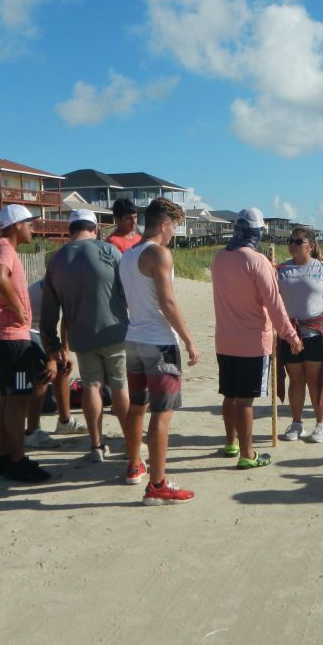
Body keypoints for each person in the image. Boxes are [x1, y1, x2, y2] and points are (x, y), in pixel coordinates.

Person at [118, 198, 199, 504]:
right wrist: (189, 340)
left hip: (133, 339)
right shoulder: (159, 253)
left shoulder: (128, 255)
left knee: (138, 405)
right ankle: (157, 484)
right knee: (162, 414)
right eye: (174, 227)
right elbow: (167, 302)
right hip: (158, 342)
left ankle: (133, 464)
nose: (174, 234)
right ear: (164, 225)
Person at [40, 210, 133, 471]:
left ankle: (95, 445)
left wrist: (52, 343)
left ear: (70, 231)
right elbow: (126, 292)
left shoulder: (57, 260)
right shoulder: (109, 251)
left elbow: (50, 308)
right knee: (119, 386)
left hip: (81, 335)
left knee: (92, 384)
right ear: (94, 228)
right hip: (114, 331)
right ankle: (130, 442)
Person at [211, 207, 302, 468]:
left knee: (229, 395)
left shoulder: (219, 258)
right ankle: (247, 454)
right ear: (256, 232)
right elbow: (274, 304)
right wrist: (290, 335)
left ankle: (231, 442)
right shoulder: (257, 261)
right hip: (252, 342)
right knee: (245, 400)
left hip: (225, 339)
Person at [0, 203, 51, 483]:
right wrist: (18, 307)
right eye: (29, 223)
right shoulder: (4, 248)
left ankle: (3, 456)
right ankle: (16, 460)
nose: (32, 228)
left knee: (5, 396)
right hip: (10, 336)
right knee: (19, 398)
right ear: (16, 226)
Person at [276, 227, 323, 444]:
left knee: (316, 380)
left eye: (298, 241)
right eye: (290, 241)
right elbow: (272, 301)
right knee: (296, 380)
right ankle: (296, 423)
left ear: (311, 246)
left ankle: (320, 424)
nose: (293, 244)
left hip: (316, 332)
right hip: (290, 333)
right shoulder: (281, 269)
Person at [25, 279, 86, 448]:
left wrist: (65, 352)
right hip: (27, 330)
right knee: (44, 373)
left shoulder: (68, 281)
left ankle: (65, 422)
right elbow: (46, 326)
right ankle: (32, 431)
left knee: (63, 367)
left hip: (40, 330)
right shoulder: (53, 286)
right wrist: (51, 359)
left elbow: (66, 319)